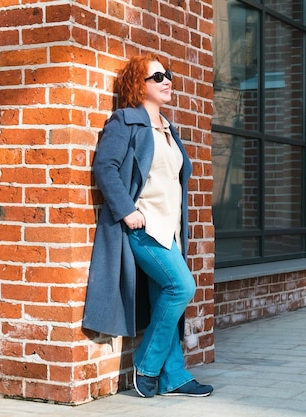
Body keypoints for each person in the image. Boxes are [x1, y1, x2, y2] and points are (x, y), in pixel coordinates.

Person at [82, 54, 213, 398]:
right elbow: (105, 168)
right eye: (157, 77)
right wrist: (127, 210)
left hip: (169, 230)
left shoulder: (168, 129)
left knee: (165, 296)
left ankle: (174, 375)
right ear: (137, 85)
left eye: (167, 74)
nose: (167, 80)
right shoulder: (124, 121)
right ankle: (146, 363)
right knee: (181, 287)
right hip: (143, 226)